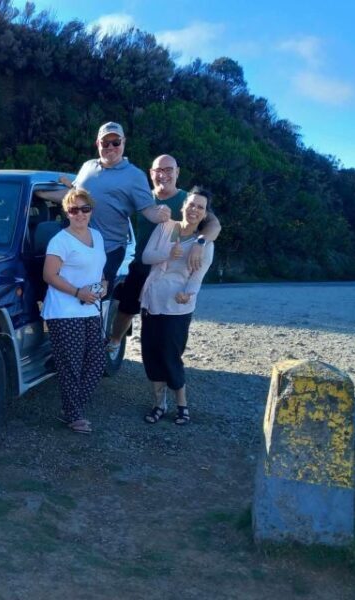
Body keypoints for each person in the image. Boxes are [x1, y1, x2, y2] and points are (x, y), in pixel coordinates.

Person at [106, 154, 222, 355]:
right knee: (126, 309)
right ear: (151, 173)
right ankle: (114, 343)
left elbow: (214, 224)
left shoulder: (189, 200)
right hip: (142, 263)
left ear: (177, 172)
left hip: (171, 269)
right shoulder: (143, 198)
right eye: (159, 170)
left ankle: (165, 359)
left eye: (169, 170)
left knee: (164, 318)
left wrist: (200, 242)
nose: (163, 174)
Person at [60, 122, 171, 291]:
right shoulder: (87, 167)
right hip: (78, 247)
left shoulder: (135, 175)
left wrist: (160, 214)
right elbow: (72, 196)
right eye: (105, 143)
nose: (110, 147)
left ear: (123, 142)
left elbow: (148, 209)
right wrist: (40, 193)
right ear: (98, 144)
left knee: (96, 295)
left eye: (116, 142)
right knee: (74, 293)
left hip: (109, 249)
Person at [140, 187, 214, 426]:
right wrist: (168, 253)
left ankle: (182, 405)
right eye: (191, 204)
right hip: (151, 303)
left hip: (177, 308)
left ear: (205, 214)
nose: (194, 210)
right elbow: (146, 257)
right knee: (151, 356)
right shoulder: (164, 228)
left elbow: (196, 278)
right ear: (183, 206)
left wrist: (188, 294)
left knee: (171, 356)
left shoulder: (205, 245)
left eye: (200, 207)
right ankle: (159, 404)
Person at [42, 188, 107, 434]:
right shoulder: (60, 241)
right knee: (71, 365)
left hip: (90, 309)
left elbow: (99, 269)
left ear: (91, 210)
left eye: (85, 209)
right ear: (67, 213)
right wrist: (78, 292)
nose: (80, 214)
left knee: (97, 362)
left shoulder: (97, 236)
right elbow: (49, 275)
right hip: (64, 312)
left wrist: (103, 284)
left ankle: (72, 408)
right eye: (74, 210)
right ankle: (73, 415)